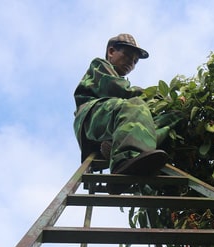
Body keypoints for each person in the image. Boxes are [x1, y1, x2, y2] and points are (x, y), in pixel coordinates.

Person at [73, 33, 172, 177]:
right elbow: (121, 90)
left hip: (116, 122)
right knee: (136, 105)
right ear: (111, 52)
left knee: (169, 120)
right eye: (127, 56)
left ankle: (126, 149)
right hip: (92, 118)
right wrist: (160, 97)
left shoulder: (125, 99)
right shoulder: (100, 65)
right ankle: (123, 160)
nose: (131, 63)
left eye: (135, 61)